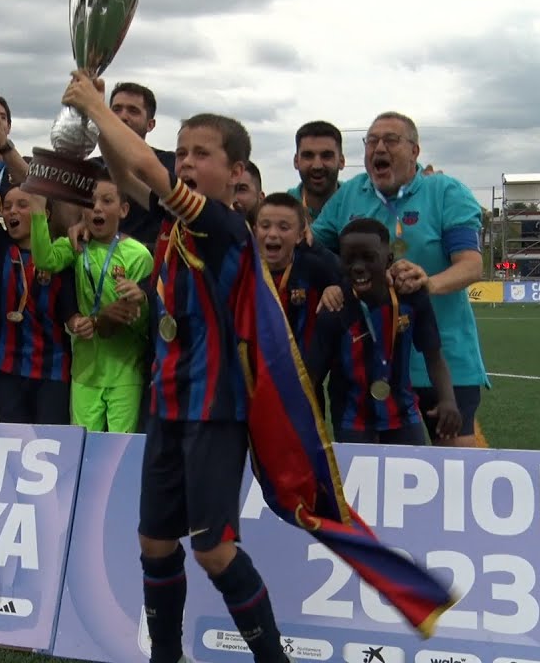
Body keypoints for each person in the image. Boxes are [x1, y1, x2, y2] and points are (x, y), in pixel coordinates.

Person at [59, 70, 290, 663]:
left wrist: (93, 104)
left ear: (237, 171)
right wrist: (97, 121)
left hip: (214, 410)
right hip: (166, 404)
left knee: (213, 549)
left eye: (202, 154)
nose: (186, 162)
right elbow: (126, 172)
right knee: (155, 543)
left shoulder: (224, 226)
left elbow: (153, 175)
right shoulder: (170, 228)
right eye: (182, 151)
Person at [311, 111, 488, 447]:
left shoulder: (446, 191)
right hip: (373, 363)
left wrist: (428, 283)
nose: (379, 148)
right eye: (372, 141)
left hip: (443, 357)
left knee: (455, 472)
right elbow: (310, 247)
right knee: (379, 479)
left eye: (390, 140)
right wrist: (333, 282)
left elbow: (471, 265)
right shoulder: (348, 195)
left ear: (415, 151)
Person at [0, 98, 76, 425]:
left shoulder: (60, 251)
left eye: (22, 205)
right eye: (8, 206)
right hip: (8, 365)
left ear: (43, 210)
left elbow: (43, 191)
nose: (11, 212)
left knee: (50, 446)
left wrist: (3, 142)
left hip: (52, 368)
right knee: (13, 444)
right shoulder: (0, 246)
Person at [305, 218, 461, 445]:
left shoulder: (411, 297)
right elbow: (312, 373)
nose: (358, 267)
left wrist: (447, 400)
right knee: (358, 481)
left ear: (388, 259)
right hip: (352, 420)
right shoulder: (335, 307)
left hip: (404, 414)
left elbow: (434, 355)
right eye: (349, 259)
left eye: (369, 258)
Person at [30, 176, 152, 433]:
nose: (97, 207)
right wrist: (39, 211)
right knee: (84, 451)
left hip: (125, 371)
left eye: (107, 201)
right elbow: (44, 261)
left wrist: (138, 300)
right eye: (90, 201)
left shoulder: (139, 255)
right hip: (84, 371)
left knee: (118, 452)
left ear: (124, 209)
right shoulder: (75, 246)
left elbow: (143, 322)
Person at [254, 192, 342, 353]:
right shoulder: (245, 270)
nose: (272, 234)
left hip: (304, 370)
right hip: (257, 369)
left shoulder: (314, 268)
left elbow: (347, 280)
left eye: (284, 227)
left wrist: (334, 289)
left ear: (300, 235)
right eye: (265, 226)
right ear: (255, 231)